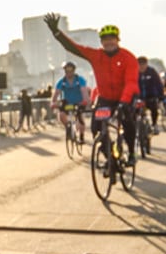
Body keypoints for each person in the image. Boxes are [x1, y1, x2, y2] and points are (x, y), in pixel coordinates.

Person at [42, 15, 139, 158]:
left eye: (112, 39)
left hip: (124, 98)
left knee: (127, 123)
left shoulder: (128, 57)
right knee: (96, 129)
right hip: (105, 99)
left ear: (117, 40)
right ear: (101, 42)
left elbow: (131, 82)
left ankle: (131, 153)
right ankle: (110, 157)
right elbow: (73, 48)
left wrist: (124, 101)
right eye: (105, 40)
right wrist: (57, 33)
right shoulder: (96, 55)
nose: (109, 42)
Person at [53, 61, 90, 140]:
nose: (69, 73)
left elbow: (84, 92)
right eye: (67, 71)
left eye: (71, 71)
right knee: (61, 115)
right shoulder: (61, 82)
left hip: (79, 102)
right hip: (67, 103)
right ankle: (68, 128)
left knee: (80, 119)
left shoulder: (80, 80)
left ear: (74, 71)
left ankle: (81, 135)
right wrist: (53, 103)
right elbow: (56, 94)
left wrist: (86, 101)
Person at [136, 56, 164, 139]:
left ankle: (154, 124)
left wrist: (161, 95)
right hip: (138, 97)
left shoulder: (152, 72)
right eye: (139, 64)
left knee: (154, 109)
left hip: (151, 96)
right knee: (133, 112)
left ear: (146, 64)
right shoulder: (134, 72)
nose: (141, 66)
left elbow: (159, 84)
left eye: (143, 64)